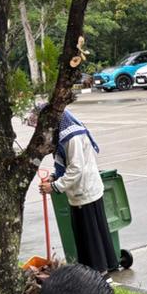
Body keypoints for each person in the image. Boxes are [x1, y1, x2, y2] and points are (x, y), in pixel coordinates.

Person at [32, 103, 117, 274]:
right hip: (83, 190)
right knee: (89, 232)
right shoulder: (62, 134)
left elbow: (76, 168)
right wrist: (55, 176)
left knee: (90, 234)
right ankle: (101, 266)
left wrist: (55, 186)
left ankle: (99, 271)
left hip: (85, 190)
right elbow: (67, 164)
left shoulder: (71, 136)